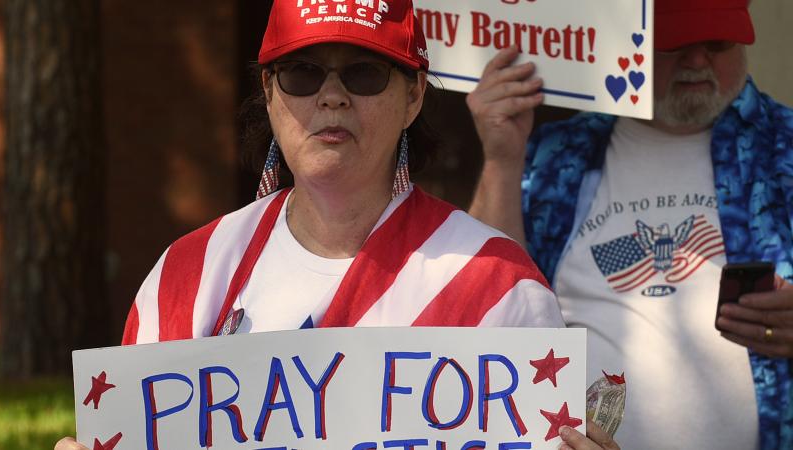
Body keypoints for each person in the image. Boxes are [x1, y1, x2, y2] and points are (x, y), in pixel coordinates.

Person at [55, 1, 575, 449]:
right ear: (269, 90)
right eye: (302, 72)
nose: (331, 96)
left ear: (413, 95)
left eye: (364, 72)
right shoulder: (184, 277)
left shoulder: (497, 286)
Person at [467, 0, 793, 448]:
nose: (697, 60)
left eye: (717, 43)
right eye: (674, 44)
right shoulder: (558, 152)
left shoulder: (786, 145)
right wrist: (502, 160)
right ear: (631, 44)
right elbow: (484, 307)